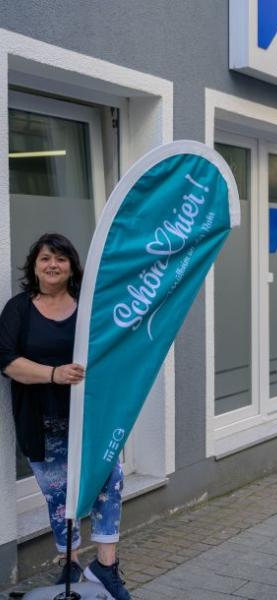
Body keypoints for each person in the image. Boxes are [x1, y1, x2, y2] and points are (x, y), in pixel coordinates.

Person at [0, 233, 130, 600]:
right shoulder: (19, 309)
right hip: (41, 424)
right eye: (45, 258)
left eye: (60, 258)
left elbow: (111, 352)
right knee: (59, 497)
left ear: (72, 265)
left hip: (91, 423)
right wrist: (54, 374)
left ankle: (105, 566)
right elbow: (6, 360)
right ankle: (71, 564)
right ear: (35, 266)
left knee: (111, 482)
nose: (52, 265)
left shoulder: (89, 307)